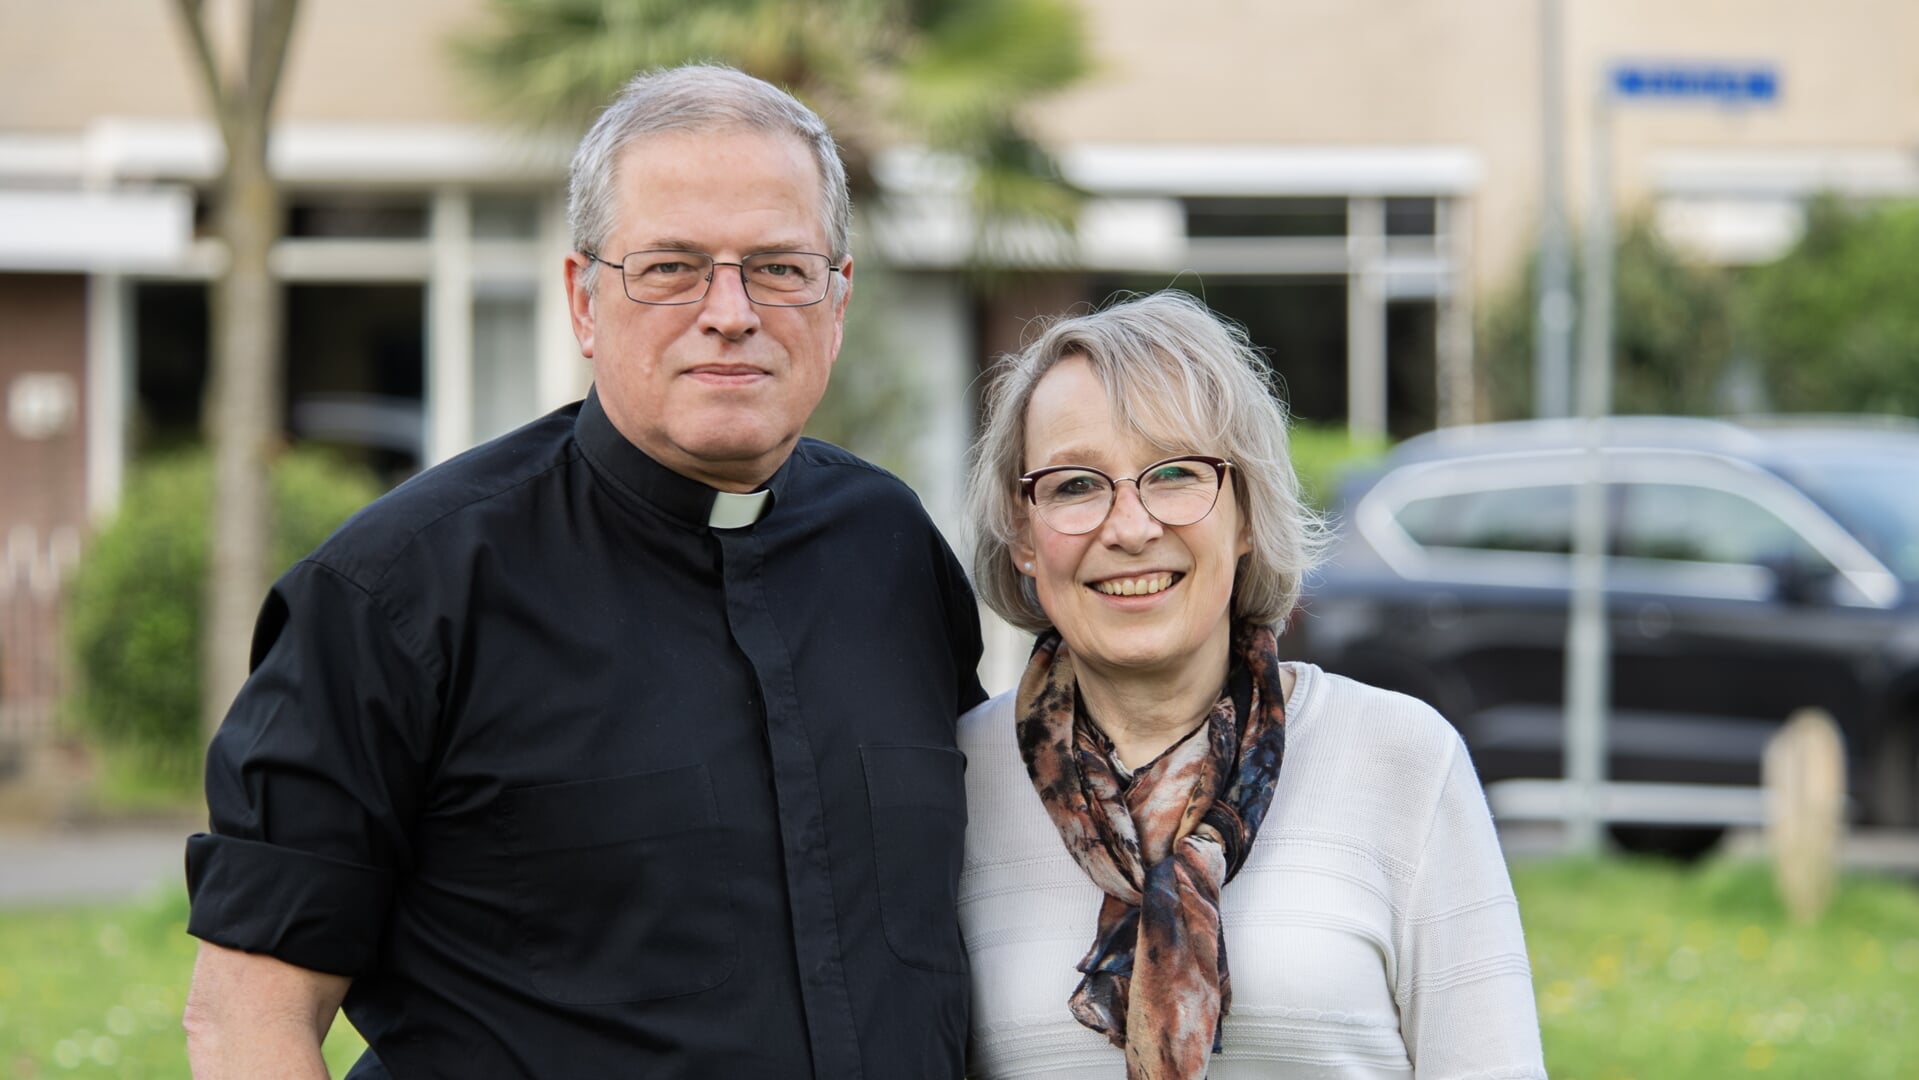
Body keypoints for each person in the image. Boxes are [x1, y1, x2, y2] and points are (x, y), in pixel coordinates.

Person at [182, 65, 986, 1080]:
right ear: (583, 298)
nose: (729, 310)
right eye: (671, 267)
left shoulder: (892, 547)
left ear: (836, 296)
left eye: (778, 267)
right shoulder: (398, 593)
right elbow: (247, 1020)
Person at [957, 291, 1545, 1079]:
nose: (1129, 527)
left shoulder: (1399, 757)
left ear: (1244, 515)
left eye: (1173, 474)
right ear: (1023, 535)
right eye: (1075, 484)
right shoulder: (951, 779)